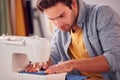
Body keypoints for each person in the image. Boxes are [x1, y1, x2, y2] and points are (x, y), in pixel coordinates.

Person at [24, 0, 120, 80]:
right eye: (52, 19)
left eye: (61, 16)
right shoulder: (62, 26)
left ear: (73, 4)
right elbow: (54, 54)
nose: (58, 24)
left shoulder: (102, 14)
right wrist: (43, 62)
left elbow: (115, 58)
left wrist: (72, 64)